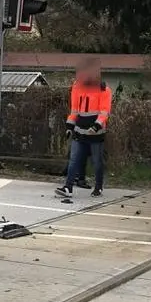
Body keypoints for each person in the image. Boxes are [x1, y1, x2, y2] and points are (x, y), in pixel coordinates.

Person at [55, 59, 112, 198]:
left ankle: (98, 187)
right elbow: (74, 110)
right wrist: (69, 126)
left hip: (96, 132)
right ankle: (68, 187)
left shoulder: (104, 89)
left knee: (97, 161)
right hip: (79, 130)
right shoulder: (77, 87)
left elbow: (104, 112)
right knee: (74, 159)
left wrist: (96, 126)